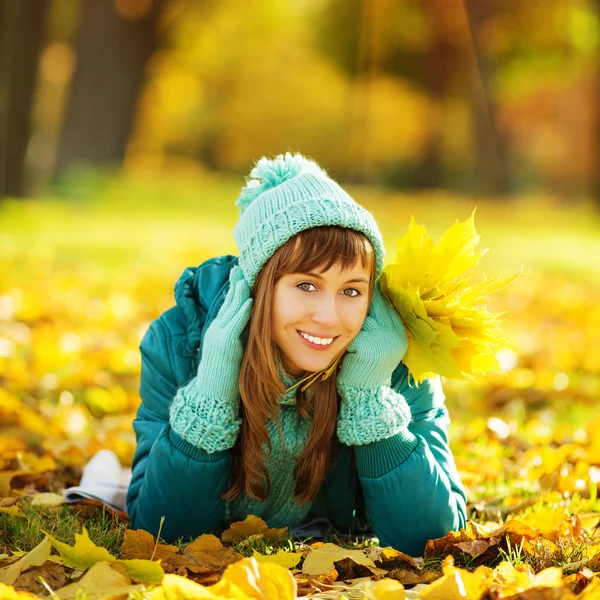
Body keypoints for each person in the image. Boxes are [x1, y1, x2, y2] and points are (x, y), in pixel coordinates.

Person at [125, 153, 467, 556]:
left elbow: (432, 539)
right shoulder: (179, 343)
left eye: (352, 290)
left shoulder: (395, 360)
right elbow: (162, 534)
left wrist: (370, 396)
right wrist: (211, 393)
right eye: (306, 285)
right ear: (257, 286)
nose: (328, 316)